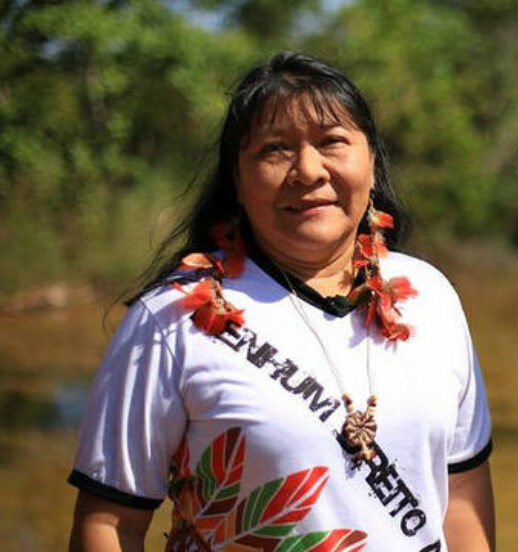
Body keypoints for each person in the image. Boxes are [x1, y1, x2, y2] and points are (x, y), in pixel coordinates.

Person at [68, 51, 494, 552]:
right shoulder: (174, 320)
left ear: (372, 164)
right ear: (238, 182)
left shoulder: (431, 299)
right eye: (275, 150)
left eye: (332, 142)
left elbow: (462, 498)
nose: (308, 170)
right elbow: (111, 524)